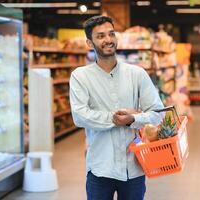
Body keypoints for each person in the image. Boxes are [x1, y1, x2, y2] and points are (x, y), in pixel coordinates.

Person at [69, 15, 164, 200]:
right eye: (101, 36)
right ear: (90, 43)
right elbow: (80, 116)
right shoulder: (80, 77)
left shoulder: (137, 74)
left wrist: (134, 118)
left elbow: (157, 113)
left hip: (133, 167)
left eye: (111, 34)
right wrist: (120, 118)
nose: (108, 40)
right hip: (100, 167)